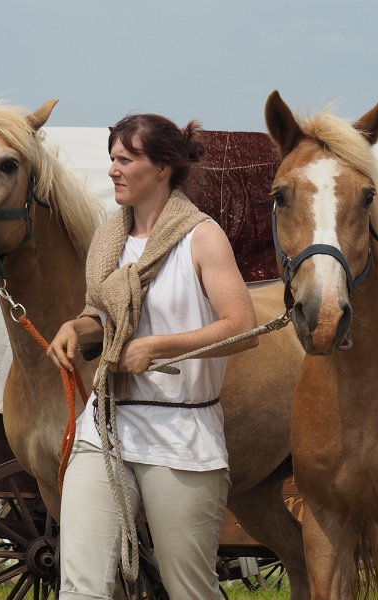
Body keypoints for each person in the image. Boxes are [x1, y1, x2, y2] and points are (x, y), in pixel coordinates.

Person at [47, 113, 258, 600]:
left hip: (181, 435)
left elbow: (243, 328)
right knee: (79, 588)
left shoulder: (202, 237)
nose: (113, 170)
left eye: (125, 159)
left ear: (163, 167)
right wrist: (76, 328)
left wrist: (157, 346)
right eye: (112, 159)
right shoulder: (108, 240)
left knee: (189, 590)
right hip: (105, 429)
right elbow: (104, 319)